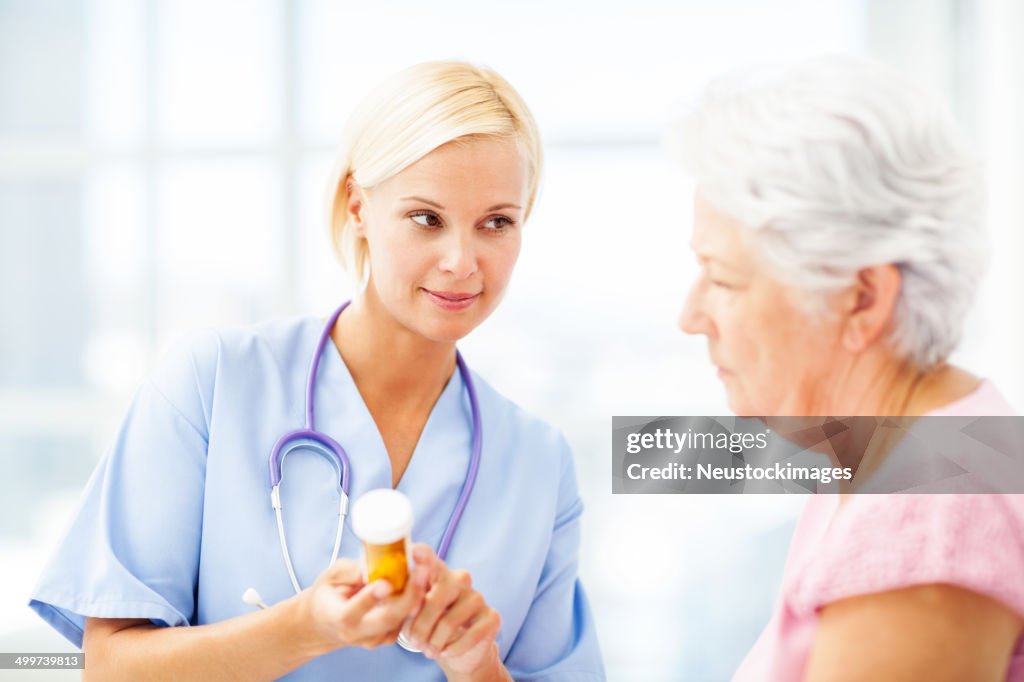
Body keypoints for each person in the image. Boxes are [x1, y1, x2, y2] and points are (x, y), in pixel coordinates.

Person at [29, 60, 605, 682]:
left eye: (497, 222)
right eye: (426, 218)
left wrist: (477, 665)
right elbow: (110, 666)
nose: (462, 261)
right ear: (358, 206)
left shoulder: (539, 464)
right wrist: (305, 628)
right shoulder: (213, 382)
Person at [670, 56, 1024, 680]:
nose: (691, 316)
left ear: (861, 299)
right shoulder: (900, 456)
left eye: (722, 279)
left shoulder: (926, 520)